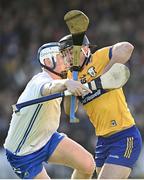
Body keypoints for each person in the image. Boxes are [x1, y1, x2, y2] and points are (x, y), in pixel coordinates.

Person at [4, 42, 95, 179]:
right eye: (61, 56)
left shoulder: (63, 79)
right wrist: (66, 83)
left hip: (47, 138)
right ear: (47, 61)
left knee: (88, 165)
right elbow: (48, 88)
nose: (67, 59)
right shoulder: (40, 81)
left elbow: (68, 109)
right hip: (23, 154)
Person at [59, 34, 142, 179]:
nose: (69, 58)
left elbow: (127, 47)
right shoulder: (72, 75)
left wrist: (103, 76)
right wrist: (69, 90)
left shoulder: (100, 57)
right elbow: (69, 110)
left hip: (124, 136)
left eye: (71, 52)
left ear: (85, 49)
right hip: (103, 141)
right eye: (65, 55)